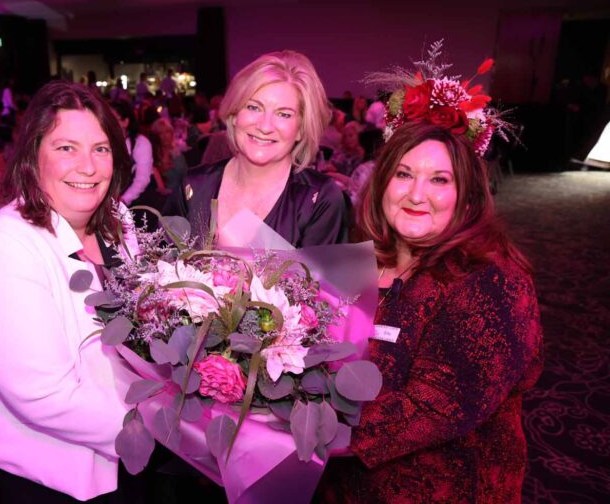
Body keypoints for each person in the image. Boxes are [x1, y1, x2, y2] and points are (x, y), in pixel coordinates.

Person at [318, 54, 543, 502]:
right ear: (382, 182)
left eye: (439, 179)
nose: (416, 194)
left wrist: (297, 426)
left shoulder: (491, 282)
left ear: (466, 195)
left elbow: (433, 406)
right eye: (403, 174)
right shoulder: (363, 259)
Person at [0, 81, 138, 503]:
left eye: (101, 148)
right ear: (33, 156)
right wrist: (163, 426)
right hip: (47, 476)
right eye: (66, 148)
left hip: (126, 457)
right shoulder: (4, 246)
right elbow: (44, 396)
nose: (88, 166)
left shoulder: (119, 220)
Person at [165, 50, 348, 247]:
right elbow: (159, 269)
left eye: (284, 114)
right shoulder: (194, 186)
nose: (265, 126)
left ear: (300, 131)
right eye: (253, 107)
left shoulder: (318, 200)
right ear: (234, 115)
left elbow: (324, 278)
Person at [112, 101, 154, 206]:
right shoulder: (102, 142)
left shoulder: (140, 143)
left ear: (125, 122)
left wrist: (124, 199)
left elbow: (142, 178)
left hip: (133, 202)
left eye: (113, 120)